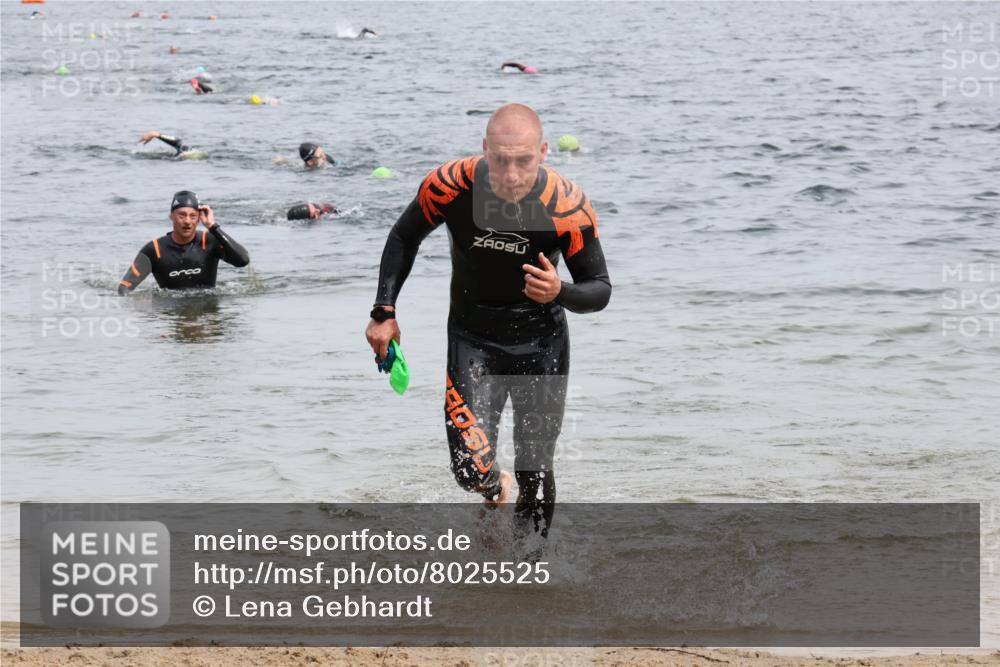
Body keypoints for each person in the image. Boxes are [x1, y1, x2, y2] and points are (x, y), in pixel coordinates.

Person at [365, 103, 610, 541]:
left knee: (535, 464)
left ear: (544, 152)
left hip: (541, 343)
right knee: (469, 468)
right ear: (484, 150)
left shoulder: (567, 204)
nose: (512, 175)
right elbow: (404, 236)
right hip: (473, 338)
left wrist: (561, 292)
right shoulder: (450, 185)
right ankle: (496, 492)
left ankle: (526, 573)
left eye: (524, 161)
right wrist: (384, 310)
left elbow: (599, 288)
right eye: (500, 160)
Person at [118, 191, 250, 295]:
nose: (187, 221)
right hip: (172, 316)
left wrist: (213, 226)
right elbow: (124, 288)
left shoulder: (209, 241)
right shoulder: (155, 250)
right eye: (182, 215)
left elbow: (243, 261)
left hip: (207, 317)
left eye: (193, 216)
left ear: (199, 219)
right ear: (171, 216)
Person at [138, 130, 204, 159]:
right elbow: (154, 133)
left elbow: (153, 133)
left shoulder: (184, 150)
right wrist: (152, 135)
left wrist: (152, 134)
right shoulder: (180, 146)